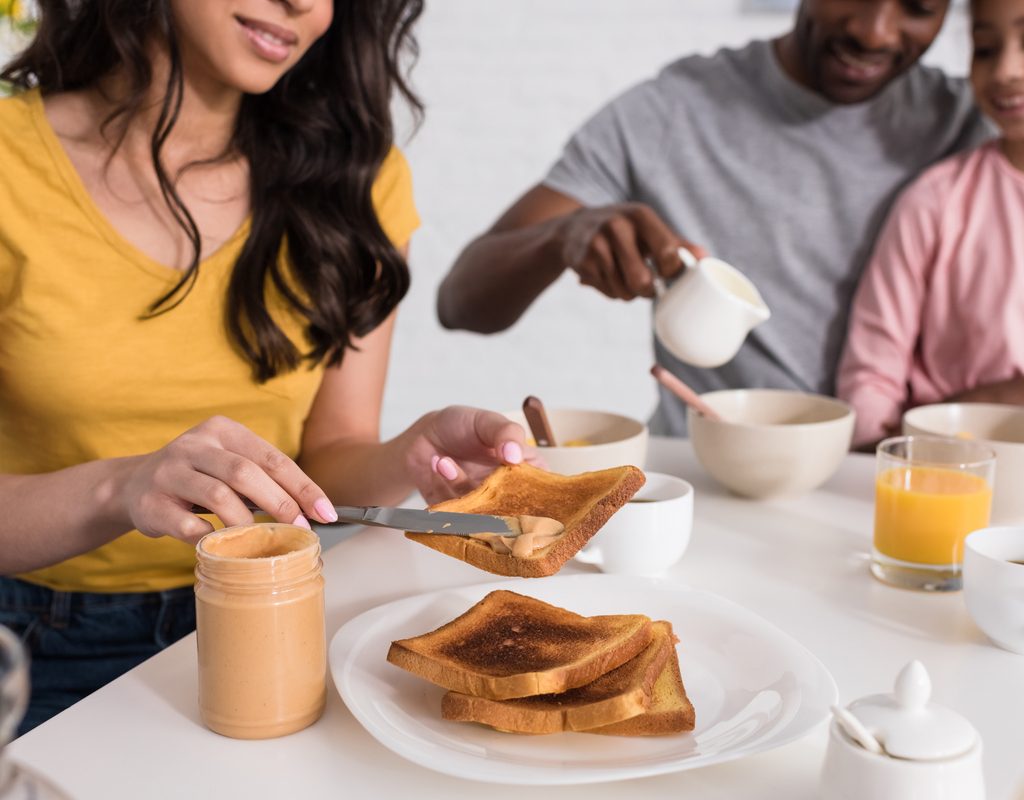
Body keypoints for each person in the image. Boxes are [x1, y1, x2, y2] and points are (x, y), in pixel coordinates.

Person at [0, 0, 531, 734]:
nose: (304, 4)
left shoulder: (357, 181)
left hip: (284, 604)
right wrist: (120, 487)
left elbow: (331, 457)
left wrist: (410, 456)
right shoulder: (9, 163)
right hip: (38, 644)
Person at [436, 0, 992, 436]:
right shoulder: (670, 113)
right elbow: (461, 302)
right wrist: (561, 236)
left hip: (896, 483)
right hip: (710, 484)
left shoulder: (976, 123)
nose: (875, 31)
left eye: (918, 7)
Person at [838, 0, 1024, 449]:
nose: (1004, 71)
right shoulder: (934, 201)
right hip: (944, 470)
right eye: (984, 49)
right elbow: (871, 378)